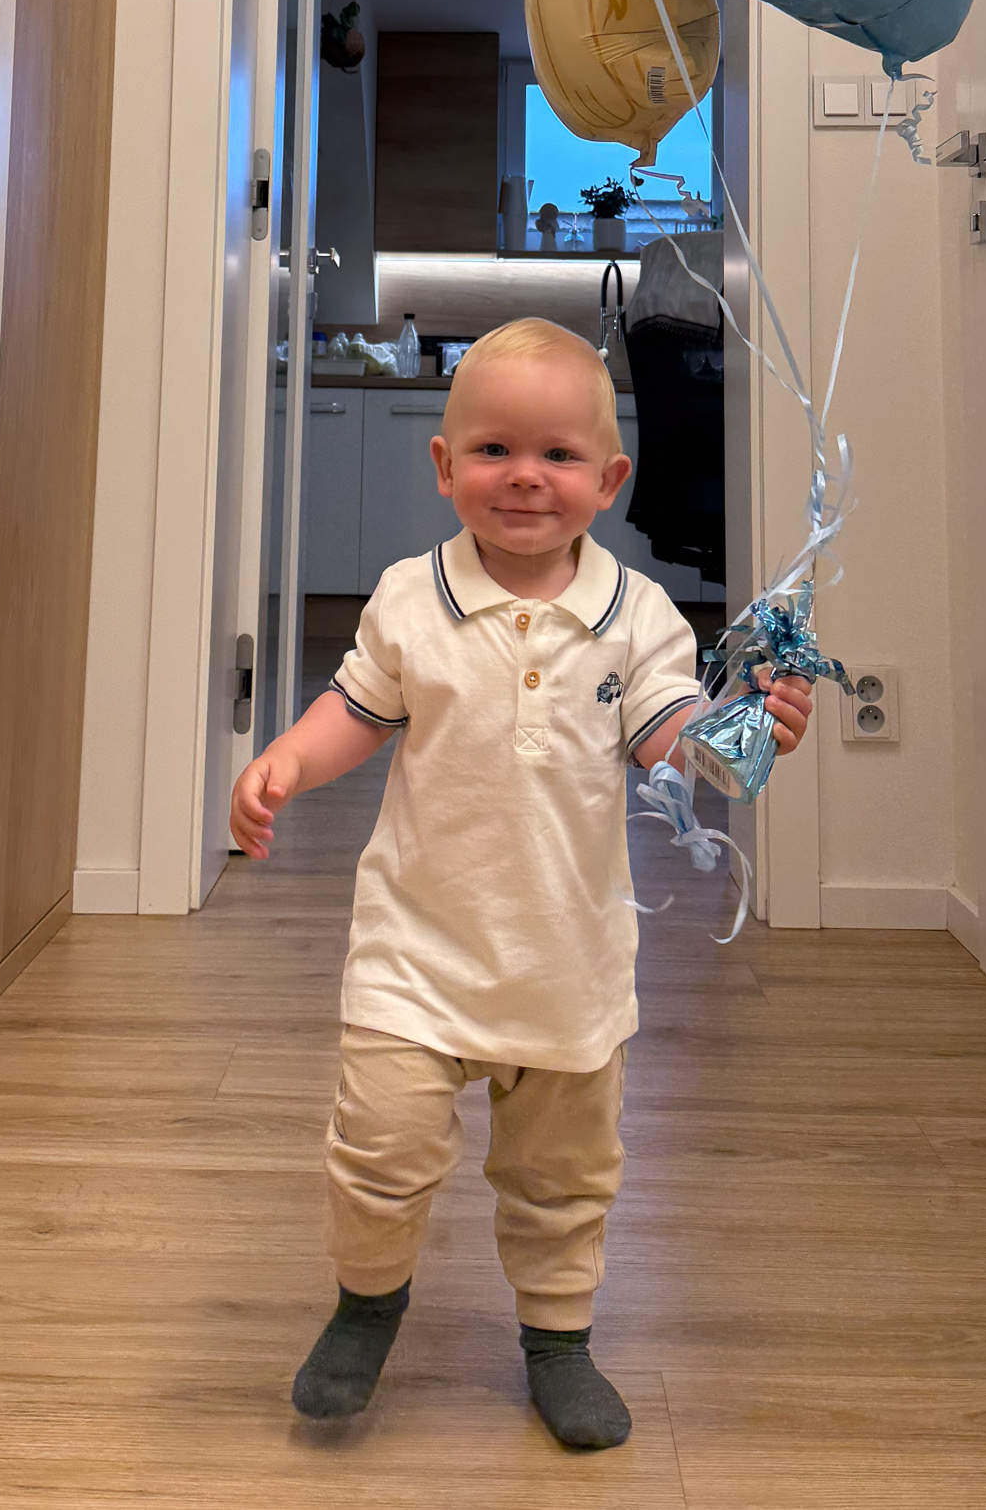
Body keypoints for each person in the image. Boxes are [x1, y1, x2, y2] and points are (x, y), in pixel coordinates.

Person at [229, 317, 813, 1450]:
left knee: (561, 1178)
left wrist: (746, 733)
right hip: (415, 952)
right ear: (443, 465)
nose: (524, 476)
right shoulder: (409, 597)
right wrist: (286, 761)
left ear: (609, 480)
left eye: (556, 454)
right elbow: (357, 710)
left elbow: (671, 743)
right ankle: (365, 1306)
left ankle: (557, 1340)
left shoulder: (637, 617)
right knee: (378, 1150)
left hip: (566, 965)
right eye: (493, 449)